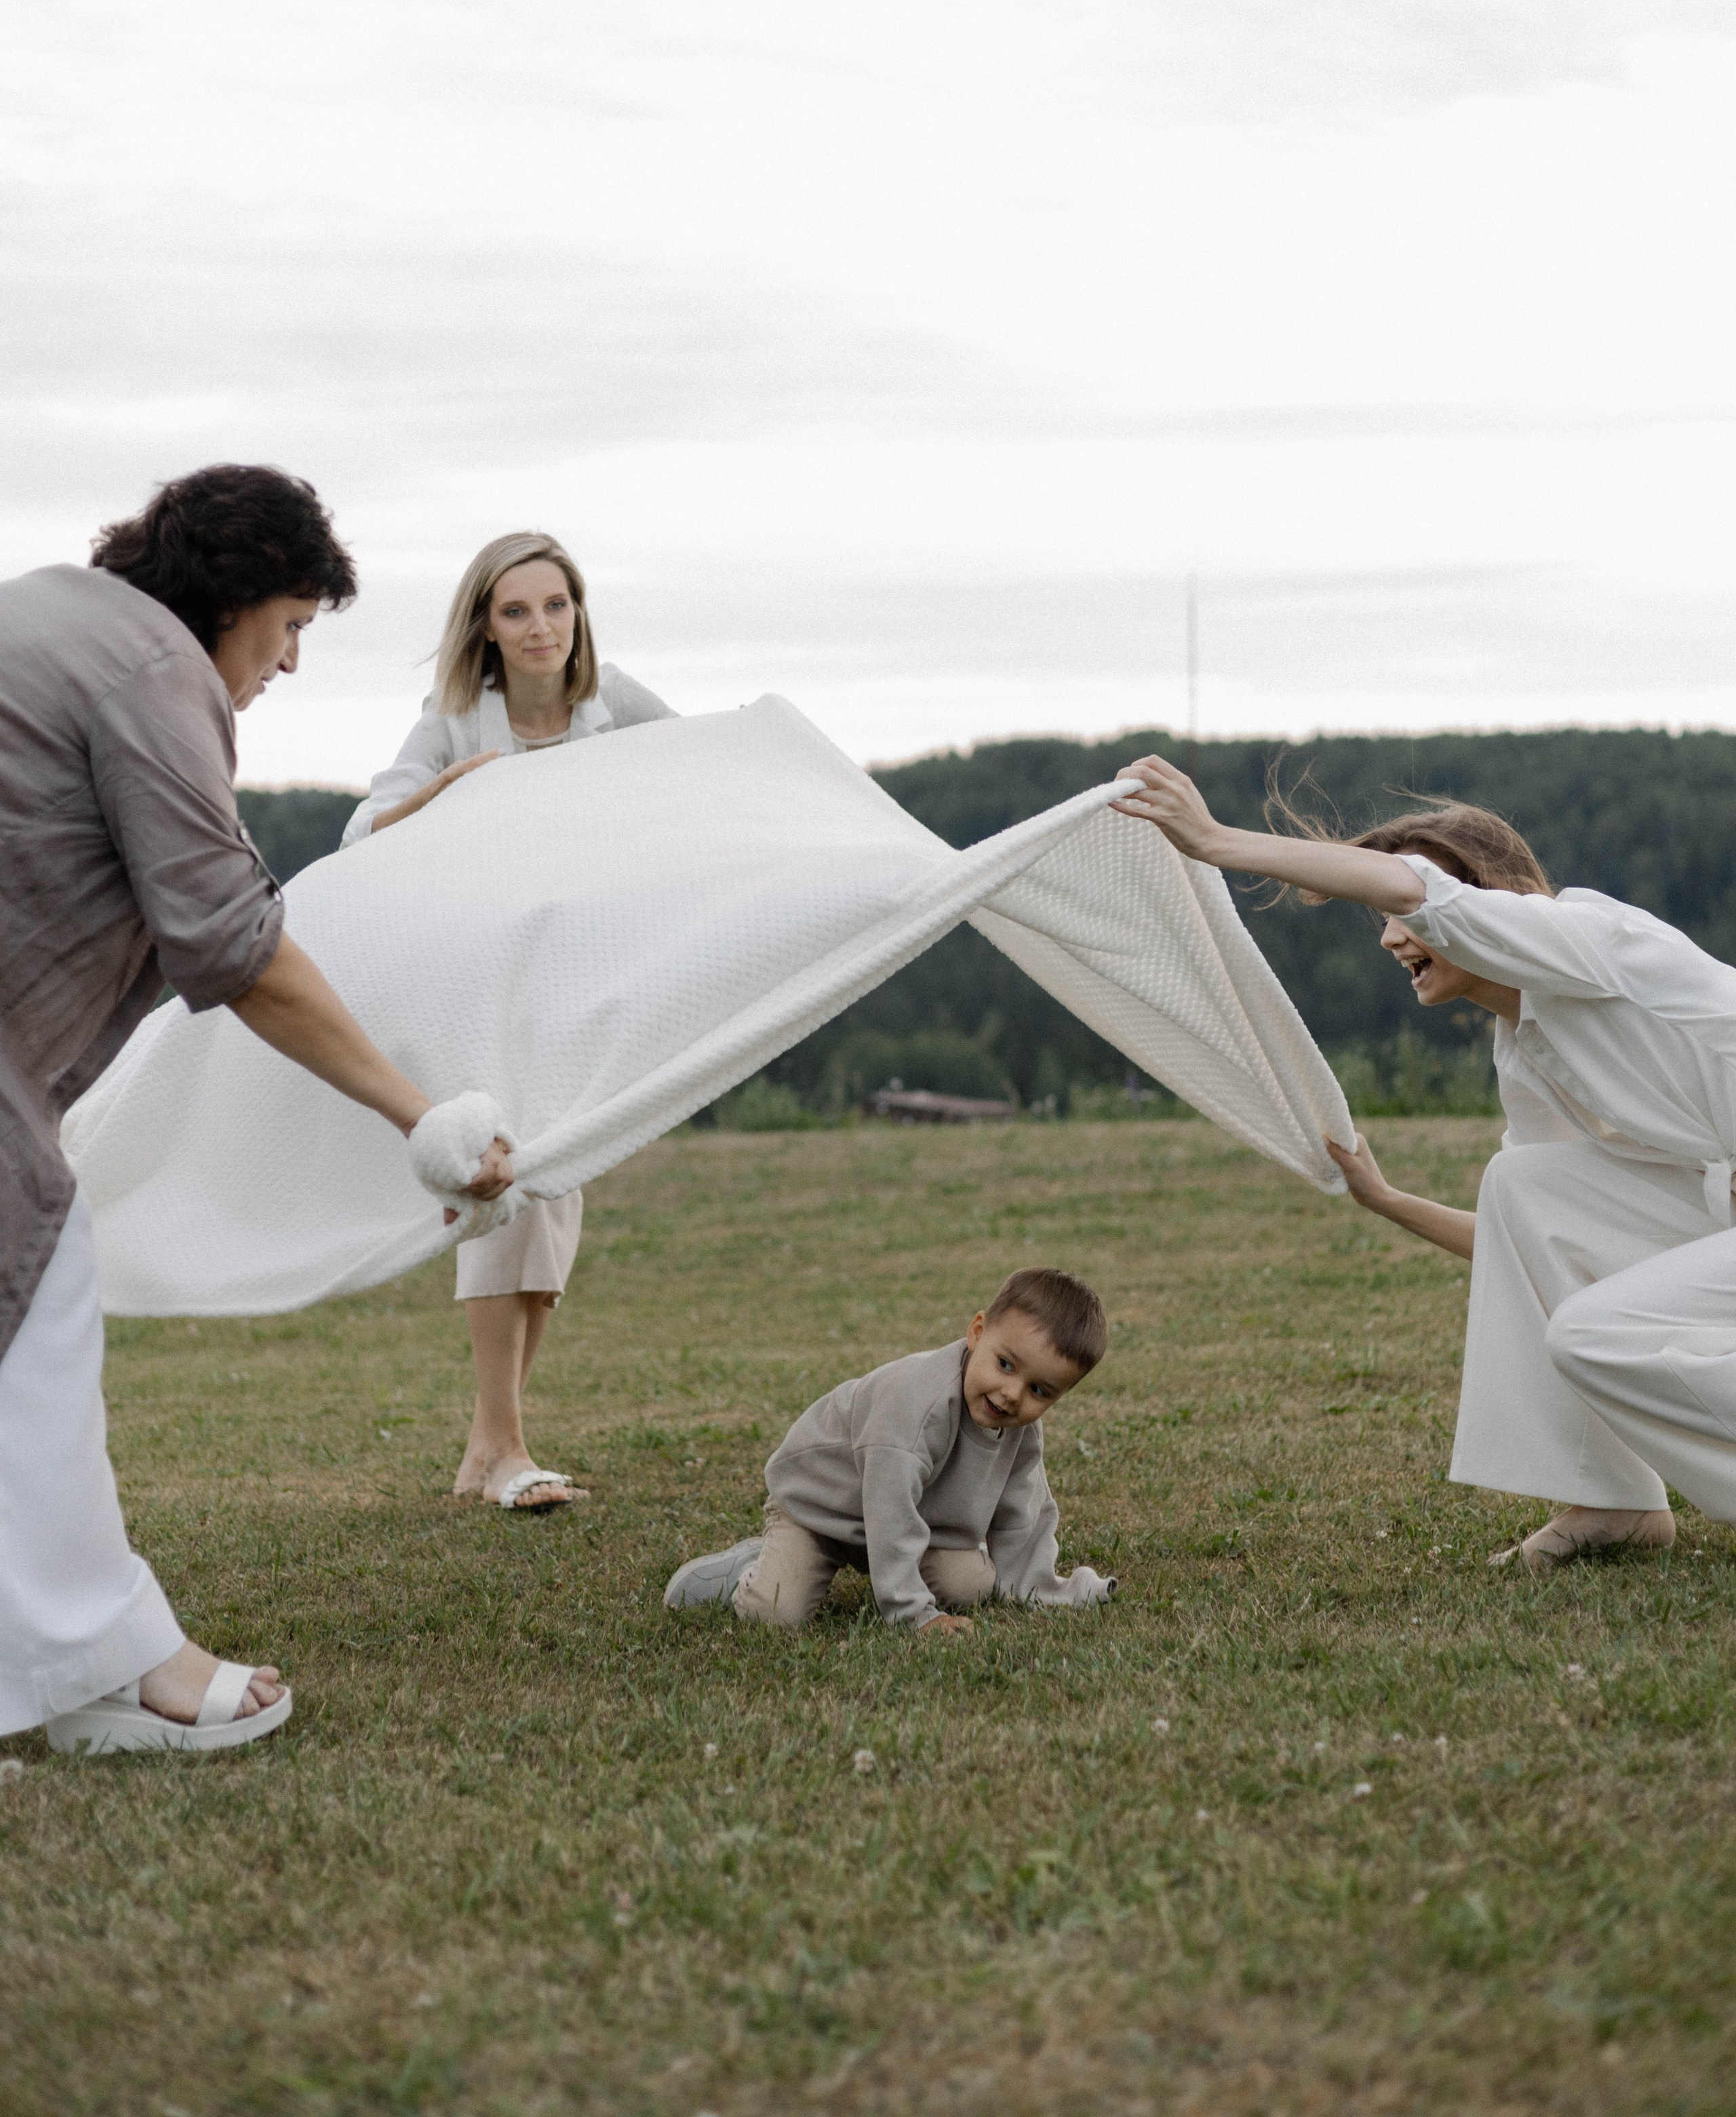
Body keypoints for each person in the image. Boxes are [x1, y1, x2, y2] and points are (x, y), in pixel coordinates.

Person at [0, 465, 515, 1757]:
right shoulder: (151, 674)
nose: (286, 661)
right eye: (288, 626)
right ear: (229, 601)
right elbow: (233, 943)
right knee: (39, 1316)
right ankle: (116, 1668)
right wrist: (417, 1114)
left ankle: (76, 1671)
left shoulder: (49, 612)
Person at [1113, 753, 1736, 1574]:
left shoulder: (1584, 934)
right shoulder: (1527, 1050)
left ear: (1494, 906)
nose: (1392, 936)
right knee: (1519, 1181)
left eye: (1411, 911)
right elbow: (1519, 1246)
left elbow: (1414, 890)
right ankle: (1614, 1503)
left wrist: (1216, 841)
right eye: (1385, 916)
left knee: (1590, 1337)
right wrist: (1387, 1199)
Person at [342, 532, 673, 1513]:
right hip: (479, 984)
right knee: (504, 1170)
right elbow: (364, 831)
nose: (542, 628)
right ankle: (504, 1443)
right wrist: (460, 790)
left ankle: (492, 1449)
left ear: (580, 616)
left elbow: (709, 777)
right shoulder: (452, 719)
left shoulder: (620, 709)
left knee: (553, 1188)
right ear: (485, 629)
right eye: (516, 610)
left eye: (557, 606)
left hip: (582, 985)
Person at [663, 1268, 1118, 1630]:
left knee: (972, 1586)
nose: (1011, 1394)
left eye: (1039, 1390)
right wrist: (914, 1614)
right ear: (977, 1331)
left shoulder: (1019, 1429)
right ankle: (750, 1567)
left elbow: (1026, 1515)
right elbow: (889, 1510)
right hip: (824, 1511)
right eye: (1004, 1364)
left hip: (911, 1520)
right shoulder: (914, 1404)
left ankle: (889, 1570)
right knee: (776, 1615)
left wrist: (1043, 1588)